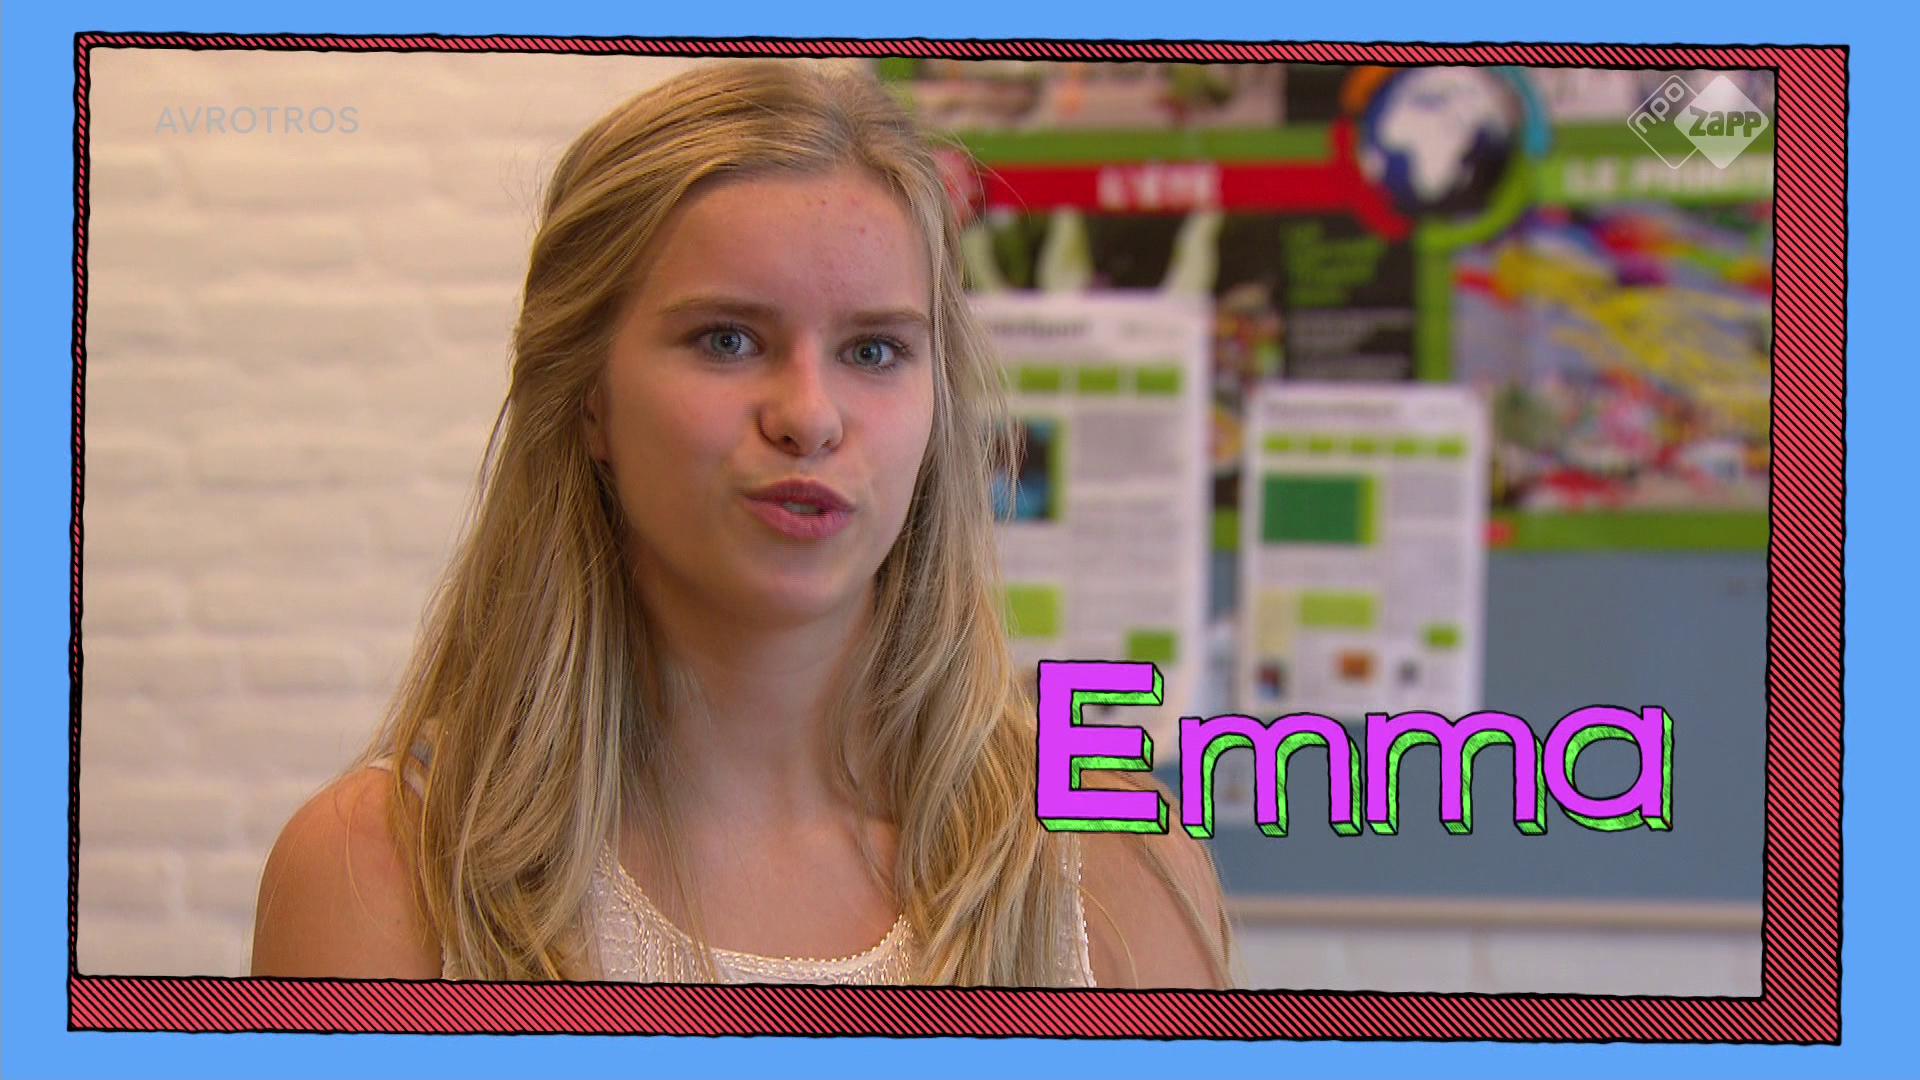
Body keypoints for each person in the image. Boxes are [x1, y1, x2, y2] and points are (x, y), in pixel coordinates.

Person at [250, 59, 1233, 987]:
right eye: (727, 339)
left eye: (874, 351)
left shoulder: (1110, 865)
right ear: (588, 398)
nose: (809, 415)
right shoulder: (383, 874)